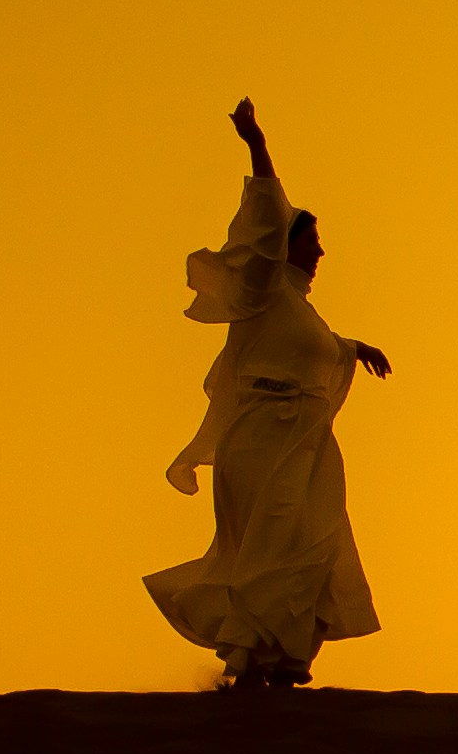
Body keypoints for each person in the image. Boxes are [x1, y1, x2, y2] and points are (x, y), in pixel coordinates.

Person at [149, 98, 389, 688]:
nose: (322, 251)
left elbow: (318, 344)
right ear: (289, 244)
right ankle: (244, 661)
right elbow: (264, 224)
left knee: (314, 544)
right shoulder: (261, 289)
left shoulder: (299, 311)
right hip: (263, 441)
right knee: (274, 542)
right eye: (314, 240)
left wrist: (356, 348)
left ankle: (280, 663)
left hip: (305, 442)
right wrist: (257, 147)